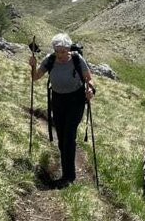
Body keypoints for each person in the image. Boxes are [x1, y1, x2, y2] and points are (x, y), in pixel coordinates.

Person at [29, 33, 95, 186]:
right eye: (57, 51)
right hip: (58, 101)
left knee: (69, 136)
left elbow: (88, 78)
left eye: (63, 51)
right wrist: (33, 65)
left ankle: (68, 177)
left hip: (76, 100)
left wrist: (90, 89)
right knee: (61, 137)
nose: (60, 54)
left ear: (68, 49)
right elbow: (36, 77)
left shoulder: (77, 59)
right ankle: (66, 170)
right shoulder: (50, 59)